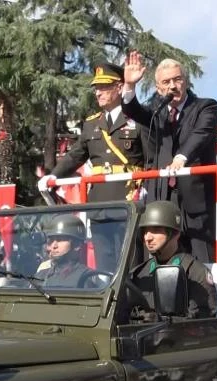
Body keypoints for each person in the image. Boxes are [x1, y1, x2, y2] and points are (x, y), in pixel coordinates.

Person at [39, 63, 146, 271]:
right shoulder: (91, 123)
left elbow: (151, 158)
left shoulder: (137, 119)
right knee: (105, 263)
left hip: (129, 198)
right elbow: (76, 155)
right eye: (96, 88)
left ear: (119, 87)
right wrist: (52, 176)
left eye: (104, 87)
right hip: (99, 204)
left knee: (131, 264)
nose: (98, 92)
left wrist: (147, 191)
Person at [120, 51, 217, 262]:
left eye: (177, 79)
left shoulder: (206, 106)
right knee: (165, 261)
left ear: (186, 81)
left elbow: (200, 135)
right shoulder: (159, 112)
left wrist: (182, 158)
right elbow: (133, 110)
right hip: (165, 196)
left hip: (196, 200)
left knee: (201, 261)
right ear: (158, 88)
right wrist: (129, 86)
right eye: (166, 82)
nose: (172, 86)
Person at [129, 201, 217, 319]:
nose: (148, 237)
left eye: (156, 229)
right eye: (145, 231)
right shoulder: (139, 274)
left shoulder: (194, 273)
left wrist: (161, 320)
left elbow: (202, 320)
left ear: (175, 234)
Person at [38, 215, 100, 289]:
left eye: (60, 240)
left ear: (77, 245)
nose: (54, 246)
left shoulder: (85, 277)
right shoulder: (40, 275)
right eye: (50, 241)